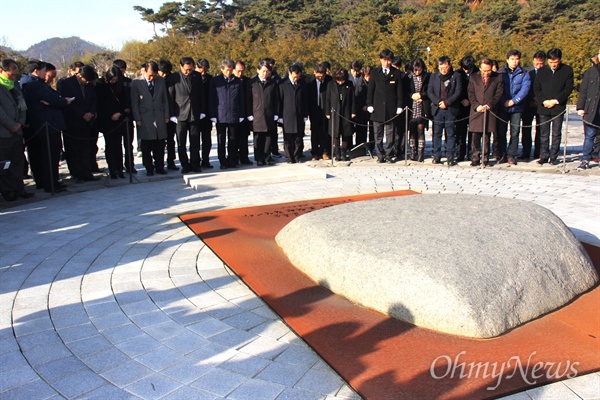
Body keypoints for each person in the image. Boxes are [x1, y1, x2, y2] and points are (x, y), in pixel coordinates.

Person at [21, 60, 71, 193]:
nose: (45, 74)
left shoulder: (35, 83)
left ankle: (52, 181)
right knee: (50, 156)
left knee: (51, 155)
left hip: (48, 123)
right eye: (44, 71)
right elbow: (54, 99)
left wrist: (53, 100)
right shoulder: (34, 84)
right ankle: (51, 183)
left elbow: (52, 98)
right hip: (47, 124)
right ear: (37, 71)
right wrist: (63, 101)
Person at [0, 59, 34, 201]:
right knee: (5, 164)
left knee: (18, 162)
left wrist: (20, 122)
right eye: (11, 72)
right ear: (2, 71)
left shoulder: (15, 86)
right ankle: (8, 191)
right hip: (4, 132)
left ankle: (19, 188)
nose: (14, 75)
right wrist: (10, 124)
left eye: (16, 73)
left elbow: (22, 105)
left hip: (18, 130)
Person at [59, 65, 99, 183]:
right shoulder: (66, 83)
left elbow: (93, 99)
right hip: (73, 121)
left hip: (87, 121)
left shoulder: (89, 84)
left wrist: (91, 112)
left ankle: (87, 172)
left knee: (86, 148)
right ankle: (77, 173)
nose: (86, 82)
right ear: (79, 75)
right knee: (73, 149)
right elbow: (68, 103)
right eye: (85, 80)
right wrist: (82, 114)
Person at [534, 48, 574, 165]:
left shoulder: (567, 70)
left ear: (560, 60)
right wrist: (544, 101)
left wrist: (556, 101)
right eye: (551, 62)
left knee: (556, 133)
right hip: (544, 106)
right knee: (543, 133)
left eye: (555, 62)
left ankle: (553, 157)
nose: (553, 65)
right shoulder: (542, 71)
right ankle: (544, 155)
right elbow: (537, 88)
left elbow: (568, 88)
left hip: (558, 107)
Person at [130, 61, 169, 176]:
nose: (152, 77)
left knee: (160, 144)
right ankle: (149, 167)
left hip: (159, 116)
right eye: (150, 75)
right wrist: (137, 118)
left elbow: (165, 99)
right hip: (144, 117)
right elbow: (134, 102)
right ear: (145, 71)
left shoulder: (161, 81)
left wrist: (166, 114)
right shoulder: (136, 82)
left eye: (154, 75)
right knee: (146, 145)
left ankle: (160, 166)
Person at [366, 49, 404, 163]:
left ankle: (388, 154)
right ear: (380, 59)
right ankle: (380, 154)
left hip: (391, 108)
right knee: (378, 134)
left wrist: (399, 106)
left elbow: (399, 91)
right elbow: (370, 90)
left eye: (388, 60)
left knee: (390, 133)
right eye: (384, 60)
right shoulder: (375, 73)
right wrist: (369, 104)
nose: (386, 62)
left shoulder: (396, 73)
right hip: (377, 108)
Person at [168, 56, 204, 174]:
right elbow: (170, 96)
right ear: (181, 67)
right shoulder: (174, 77)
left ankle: (195, 164)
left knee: (195, 141)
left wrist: (202, 111)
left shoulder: (197, 76)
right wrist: (172, 114)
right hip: (180, 114)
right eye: (186, 69)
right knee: (181, 142)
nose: (189, 72)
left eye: (191, 69)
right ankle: (185, 164)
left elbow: (200, 94)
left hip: (194, 113)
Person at [496, 49, 531, 165]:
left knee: (515, 132)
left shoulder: (524, 73)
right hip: (503, 106)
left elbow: (525, 89)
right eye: (512, 59)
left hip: (517, 107)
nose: (514, 62)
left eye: (516, 59)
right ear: (507, 60)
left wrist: (514, 101)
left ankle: (511, 155)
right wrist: (503, 101)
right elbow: (497, 89)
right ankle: (502, 154)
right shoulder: (501, 73)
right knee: (501, 131)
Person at [209, 59, 245, 169]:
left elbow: (241, 99)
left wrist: (241, 114)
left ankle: (232, 160)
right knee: (221, 140)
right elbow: (212, 98)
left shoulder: (237, 81)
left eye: (231, 70)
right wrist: (212, 115)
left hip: (234, 114)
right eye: (227, 70)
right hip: (220, 115)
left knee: (233, 139)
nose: (229, 72)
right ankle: (222, 161)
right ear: (222, 69)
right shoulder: (216, 81)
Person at [468, 58, 504, 167]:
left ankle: (485, 158)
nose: (486, 73)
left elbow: (499, 93)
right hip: (477, 110)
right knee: (475, 135)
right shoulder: (473, 77)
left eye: (488, 70)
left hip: (490, 110)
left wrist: (490, 105)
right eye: (484, 71)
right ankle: (475, 157)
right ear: (480, 68)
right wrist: (476, 106)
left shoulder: (497, 77)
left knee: (486, 136)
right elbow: (471, 93)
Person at [427, 56, 462, 165]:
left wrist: (447, 102)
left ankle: (450, 155)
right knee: (437, 133)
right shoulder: (434, 76)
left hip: (450, 108)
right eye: (441, 67)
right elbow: (430, 91)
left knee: (450, 133)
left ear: (449, 66)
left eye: (445, 67)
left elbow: (458, 92)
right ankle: (436, 155)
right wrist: (438, 102)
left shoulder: (456, 76)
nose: (443, 70)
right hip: (437, 109)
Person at [96, 66, 130, 179]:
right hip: (107, 120)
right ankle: (112, 169)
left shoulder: (121, 86)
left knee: (118, 145)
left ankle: (120, 168)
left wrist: (120, 113)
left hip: (119, 119)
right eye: (112, 79)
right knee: (110, 145)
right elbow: (100, 104)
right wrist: (111, 114)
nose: (113, 82)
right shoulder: (101, 86)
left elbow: (125, 102)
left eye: (115, 80)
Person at [246, 59, 279, 166]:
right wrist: (249, 114)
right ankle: (259, 158)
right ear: (258, 70)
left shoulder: (272, 84)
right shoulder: (252, 83)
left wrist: (276, 113)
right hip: (257, 115)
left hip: (269, 114)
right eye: (263, 71)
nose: (265, 74)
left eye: (267, 72)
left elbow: (276, 99)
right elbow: (248, 100)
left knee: (269, 138)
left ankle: (267, 157)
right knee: (258, 138)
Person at [278, 63, 308, 164]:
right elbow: (279, 101)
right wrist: (280, 116)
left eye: (298, 77)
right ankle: (288, 157)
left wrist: (305, 114)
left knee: (298, 138)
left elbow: (305, 100)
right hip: (287, 115)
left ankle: (297, 156)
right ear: (290, 73)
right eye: (295, 77)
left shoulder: (302, 83)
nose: (296, 79)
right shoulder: (282, 84)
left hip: (299, 115)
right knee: (288, 138)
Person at [576, 48, 600, 170]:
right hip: (593, 108)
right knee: (590, 135)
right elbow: (583, 91)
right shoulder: (591, 72)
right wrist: (580, 107)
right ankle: (585, 159)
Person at [325, 68, 356, 161]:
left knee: (346, 133)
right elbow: (328, 99)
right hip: (335, 112)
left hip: (346, 111)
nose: (340, 82)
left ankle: (344, 152)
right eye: (338, 80)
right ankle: (337, 152)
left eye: (342, 80)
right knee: (336, 133)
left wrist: (353, 111)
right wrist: (327, 112)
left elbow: (353, 99)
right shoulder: (330, 84)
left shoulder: (349, 84)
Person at [520, 51, 546, 160]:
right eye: (537, 64)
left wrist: (540, 100)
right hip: (528, 103)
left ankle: (539, 152)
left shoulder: (547, 72)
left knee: (541, 129)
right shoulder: (527, 71)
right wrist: (531, 98)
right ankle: (525, 151)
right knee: (526, 128)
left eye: (541, 64)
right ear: (533, 61)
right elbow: (524, 87)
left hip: (542, 104)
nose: (539, 66)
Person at [113, 59, 137, 174]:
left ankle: (130, 165)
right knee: (116, 144)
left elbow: (133, 98)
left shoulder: (129, 82)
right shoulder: (110, 83)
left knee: (128, 144)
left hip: (128, 117)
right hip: (116, 118)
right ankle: (118, 166)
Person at [407, 58, 431, 162]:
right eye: (415, 70)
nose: (417, 72)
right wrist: (412, 95)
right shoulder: (408, 77)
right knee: (412, 130)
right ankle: (413, 151)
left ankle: (421, 153)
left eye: (419, 70)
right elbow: (405, 91)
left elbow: (430, 91)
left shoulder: (427, 76)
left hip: (422, 105)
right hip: (412, 105)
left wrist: (421, 95)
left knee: (420, 129)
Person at [456, 55, 479, 162]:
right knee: (461, 132)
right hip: (461, 106)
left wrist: (472, 101)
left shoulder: (477, 73)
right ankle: (460, 153)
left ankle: (472, 153)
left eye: (468, 68)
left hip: (474, 105)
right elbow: (455, 89)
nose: (466, 70)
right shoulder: (458, 73)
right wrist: (462, 99)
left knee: (473, 131)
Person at [307, 63, 331, 160]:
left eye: (322, 76)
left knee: (326, 132)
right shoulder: (309, 81)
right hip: (314, 109)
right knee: (315, 132)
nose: (320, 78)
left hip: (326, 110)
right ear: (314, 72)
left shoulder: (329, 80)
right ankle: (315, 152)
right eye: (318, 76)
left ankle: (325, 151)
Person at [158, 59, 178, 171]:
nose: (164, 75)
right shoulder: (156, 80)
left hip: (171, 115)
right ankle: (159, 163)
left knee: (171, 140)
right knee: (159, 141)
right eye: (162, 72)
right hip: (159, 114)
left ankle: (171, 161)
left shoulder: (173, 79)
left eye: (166, 72)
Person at [233, 60, 253, 165]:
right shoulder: (230, 81)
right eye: (238, 71)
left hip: (245, 114)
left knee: (244, 138)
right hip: (233, 114)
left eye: (242, 71)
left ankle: (244, 157)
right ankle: (234, 158)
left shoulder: (248, 81)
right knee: (234, 138)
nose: (240, 74)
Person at [196, 58, 214, 168]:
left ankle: (205, 160)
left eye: (205, 71)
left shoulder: (211, 79)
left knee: (207, 139)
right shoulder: (192, 78)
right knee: (195, 140)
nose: (203, 73)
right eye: (201, 70)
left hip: (207, 114)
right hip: (195, 113)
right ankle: (196, 160)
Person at [354, 65, 373, 153]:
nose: (367, 78)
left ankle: (371, 147)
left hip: (372, 109)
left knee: (373, 130)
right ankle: (360, 148)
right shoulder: (359, 82)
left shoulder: (374, 81)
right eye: (366, 76)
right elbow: (357, 96)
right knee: (361, 130)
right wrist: (362, 106)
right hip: (361, 110)